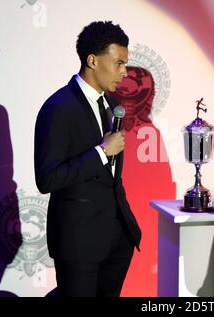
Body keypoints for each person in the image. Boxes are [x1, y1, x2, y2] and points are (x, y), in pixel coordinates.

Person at [34, 21, 141, 297]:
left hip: (116, 241)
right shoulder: (58, 107)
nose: (124, 72)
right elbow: (48, 178)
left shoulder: (108, 107)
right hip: (79, 244)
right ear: (92, 60)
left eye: (125, 64)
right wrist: (101, 152)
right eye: (118, 63)